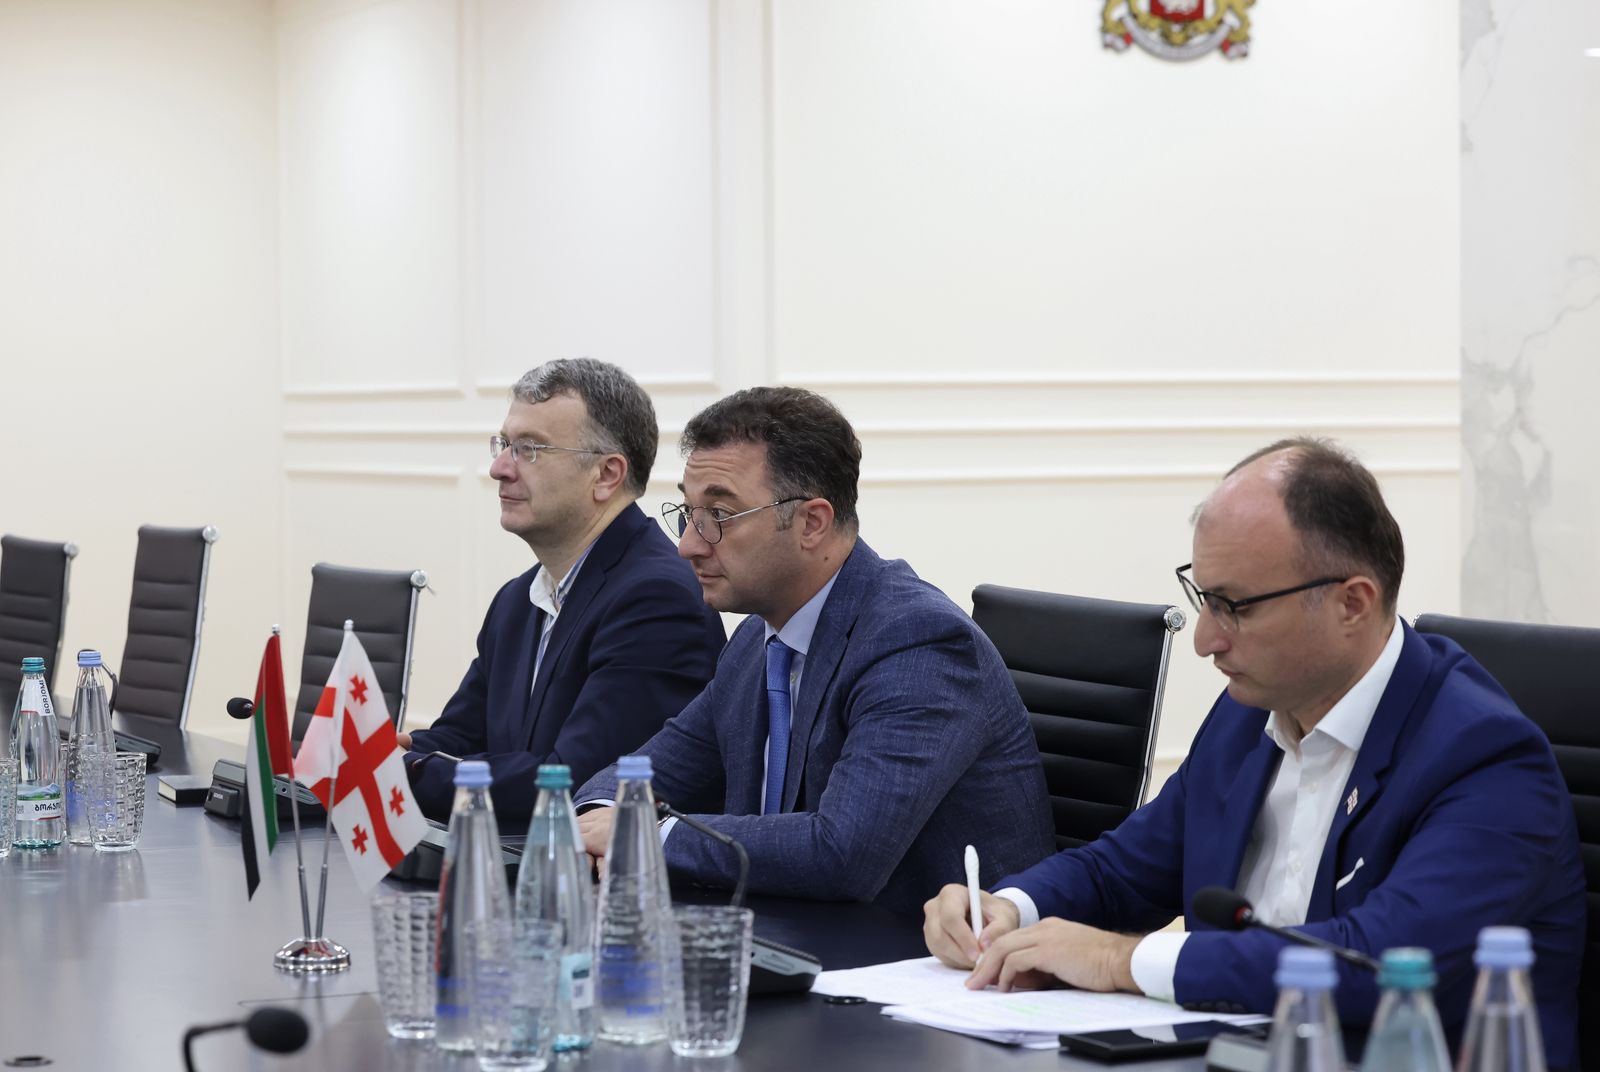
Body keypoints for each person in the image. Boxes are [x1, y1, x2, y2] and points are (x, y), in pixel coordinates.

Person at [922, 437, 1585, 1068]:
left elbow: (1379, 961)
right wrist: (1010, 910)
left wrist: (1118, 960)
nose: (1205, 639)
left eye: (1235, 606)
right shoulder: (1250, 713)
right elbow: (1122, 870)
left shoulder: (1485, 756)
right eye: (1203, 599)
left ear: (1352, 604)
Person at [575, 386, 1053, 913]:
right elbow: (643, 775)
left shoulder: (919, 642)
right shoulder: (757, 641)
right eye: (687, 513)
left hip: (927, 952)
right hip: (791, 932)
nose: (688, 543)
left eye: (718, 515)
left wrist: (643, 836)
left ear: (811, 523)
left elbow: (843, 852)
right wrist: (598, 815)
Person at [400, 358, 726, 821]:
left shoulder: (657, 599)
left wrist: (403, 773)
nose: (498, 468)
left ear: (607, 475)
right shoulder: (516, 599)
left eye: (528, 449)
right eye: (504, 444)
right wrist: (397, 755)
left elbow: (570, 784)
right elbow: (458, 738)